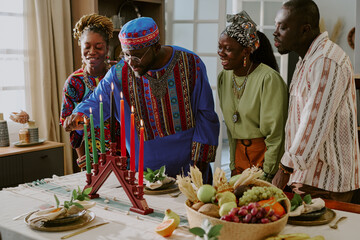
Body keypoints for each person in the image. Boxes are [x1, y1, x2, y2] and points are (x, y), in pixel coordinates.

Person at [63, 17, 219, 183]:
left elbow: (206, 114)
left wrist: (201, 162)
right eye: (126, 55)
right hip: (144, 176)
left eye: (137, 56)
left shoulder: (190, 64)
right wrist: (79, 115)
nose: (131, 63)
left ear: (156, 48)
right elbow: (96, 101)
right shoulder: (120, 72)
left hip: (190, 169)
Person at [272, 0, 360, 202]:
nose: (276, 32)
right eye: (276, 25)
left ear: (305, 30)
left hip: (327, 182)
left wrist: (285, 168)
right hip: (307, 178)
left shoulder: (326, 61)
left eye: (283, 26)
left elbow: (313, 123)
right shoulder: (307, 60)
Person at [217, 11, 288, 182]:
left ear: (246, 51)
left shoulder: (269, 79)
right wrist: (233, 165)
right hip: (238, 157)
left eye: (228, 49)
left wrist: (269, 172)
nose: (221, 53)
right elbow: (231, 128)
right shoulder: (224, 78)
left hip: (264, 157)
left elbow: (275, 134)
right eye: (220, 46)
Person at [60, 14, 121, 170]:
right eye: (87, 46)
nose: (92, 51)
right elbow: (71, 127)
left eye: (98, 46)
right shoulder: (74, 82)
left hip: (122, 154)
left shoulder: (117, 76)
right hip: (90, 159)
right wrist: (83, 162)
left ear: (107, 48)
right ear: (80, 47)